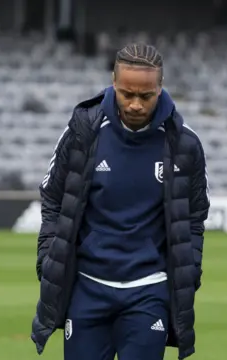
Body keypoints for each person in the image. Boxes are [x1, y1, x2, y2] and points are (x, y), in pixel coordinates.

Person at [31, 43, 210, 360]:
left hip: (149, 290)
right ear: (114, 84)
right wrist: (47, 255)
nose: (136, 105)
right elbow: (53, 198)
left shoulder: (185, 144)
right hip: (87, 288)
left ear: (160, 88)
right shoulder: (82, 133)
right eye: (128, 94)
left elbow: (194, 217)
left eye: (146, 96)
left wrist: (191, 268)